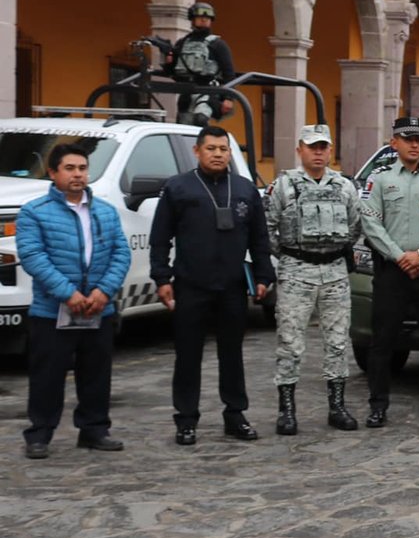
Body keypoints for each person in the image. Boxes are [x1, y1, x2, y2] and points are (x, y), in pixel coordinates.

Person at [150, 124, 275, 444]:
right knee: (188, 355)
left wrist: (263, 276)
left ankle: (235, 414)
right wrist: (162, 277)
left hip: (232, 286)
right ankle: (186, 419)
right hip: (191, 285)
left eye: (223, 149)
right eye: (211, 149)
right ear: (197, 151)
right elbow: (160, 238)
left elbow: (260, 239)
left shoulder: (245, 188)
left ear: (229, 153)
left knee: (231, 354)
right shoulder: (178, 188)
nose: (218, 154)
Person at [16, 144, 132, 459]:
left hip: (98, 308)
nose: (78, 174)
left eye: (82, 168)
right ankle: (39, 434)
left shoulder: (105, 211)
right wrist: (68, 293)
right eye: (70, 168)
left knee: (96, 373)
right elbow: (33, 257)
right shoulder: (34, 212)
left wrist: (103, 291)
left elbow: (121, 253)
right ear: (53, 173)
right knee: (48, 376)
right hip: (52, 311)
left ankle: (94, 430)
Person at [265, 124, 364, 436]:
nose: (318, 152)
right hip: (296, 272)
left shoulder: (344, 187)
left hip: (334, 272)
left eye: (323, 146)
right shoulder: (283, 186)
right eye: (312, 146)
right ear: (300, 150)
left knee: (337, 342)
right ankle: (287, 411)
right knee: (290, 343)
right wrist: (290, 257)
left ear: (330, 150)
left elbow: (355, 226)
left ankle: (337, 407)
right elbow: (267, 229)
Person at [359, 116, 419, 428]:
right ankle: (377, 407)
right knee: (382, 343)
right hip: (392, 270)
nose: (414, 144)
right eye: (407, 139)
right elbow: (371, 221)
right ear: (394, 144)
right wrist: (399, 256)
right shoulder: (381, 180)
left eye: (418, 139)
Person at [164, 2, 236, 123]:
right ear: (192, 19)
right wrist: (169, 62)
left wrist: (228, 98)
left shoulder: (217, 44)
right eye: (200, 17)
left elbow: (229, 73)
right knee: (183, 125)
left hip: (207, 91)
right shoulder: (182, 43)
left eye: (207, 18)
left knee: (201, 119)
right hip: (186, 92)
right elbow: (172, 72)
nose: (204, 20)